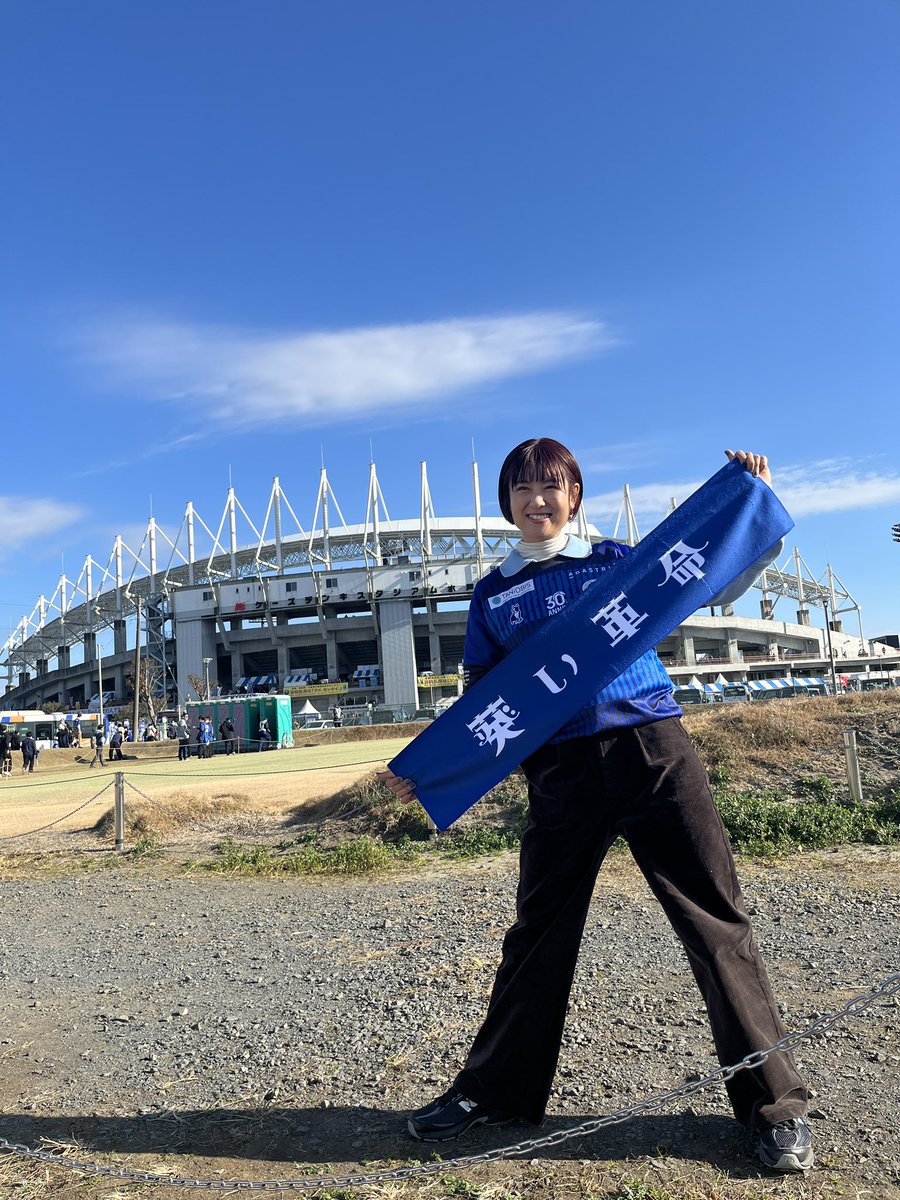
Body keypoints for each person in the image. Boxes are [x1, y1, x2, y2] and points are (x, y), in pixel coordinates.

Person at [378, 440, 813, 1174]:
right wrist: (429, 770)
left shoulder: (618, 562)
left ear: (575, 495)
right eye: (522, 488)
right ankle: (494, 1093)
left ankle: (776, 1107)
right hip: (561, 774)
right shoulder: (492, 595)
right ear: (506, 502)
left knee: (715, 921)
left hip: (653, 751)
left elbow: (713, 586)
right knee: (537, 933)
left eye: (551, 486)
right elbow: (485, 704)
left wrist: (751, 503)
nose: (537, 500)